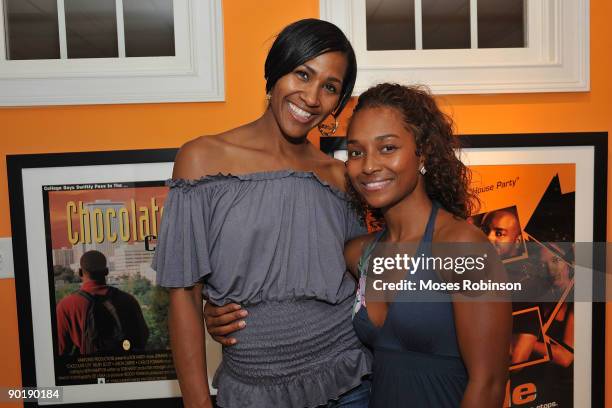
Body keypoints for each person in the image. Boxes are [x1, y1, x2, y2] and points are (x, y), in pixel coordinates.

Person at [152, 19, 371, 408]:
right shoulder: (201, 159)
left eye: (330, 87)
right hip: (253, 391)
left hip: (349, 384)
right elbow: (183, 295)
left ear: (339, 102)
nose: (312, 97)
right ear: (275, 71)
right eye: (302, 74)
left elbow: (363, 277)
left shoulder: (339, 177)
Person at [344, 83, 512, 407]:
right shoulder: (358, 255)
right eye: (356, 152)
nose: (367, 165)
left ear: (424, 152)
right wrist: (221, 311)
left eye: (388, 148)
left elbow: (489, 385)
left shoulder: (462, 246)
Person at [56, 250, 149, 356]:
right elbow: (142, 337)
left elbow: (61, 350)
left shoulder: (66, 306)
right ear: (107, 271)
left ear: (80, 272)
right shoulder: (127, 300)